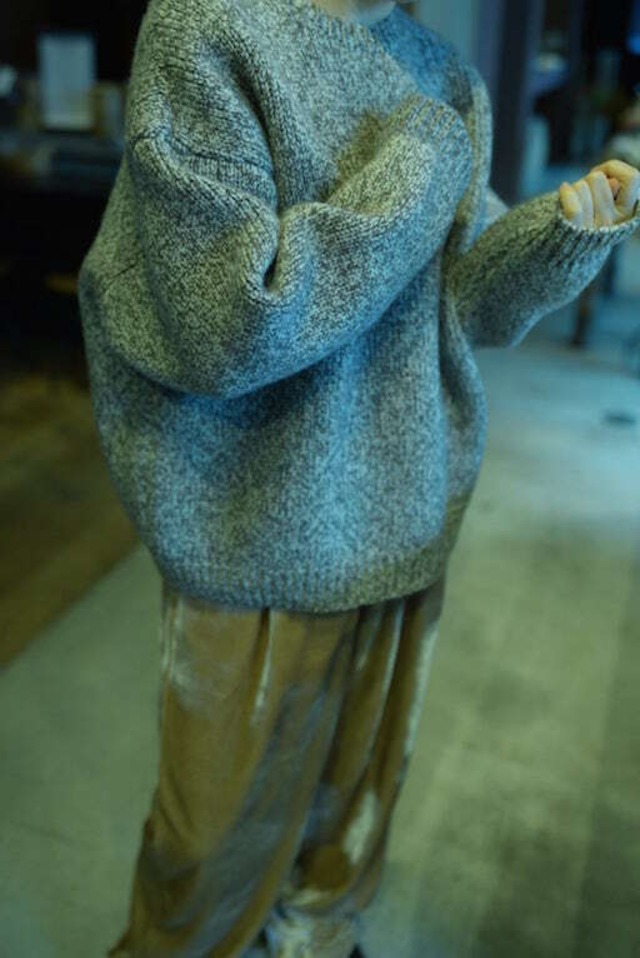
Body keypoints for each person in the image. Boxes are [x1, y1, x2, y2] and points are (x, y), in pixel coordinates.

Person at [77, 0, 640, 955]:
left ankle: (317, 937)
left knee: (349, 815)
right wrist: (421, 160)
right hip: (254, 525)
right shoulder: (208, 29)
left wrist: (562, 233)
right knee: (209, 846)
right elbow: (229, 322)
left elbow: (461, 302)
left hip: (406, 505)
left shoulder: (442, 71)